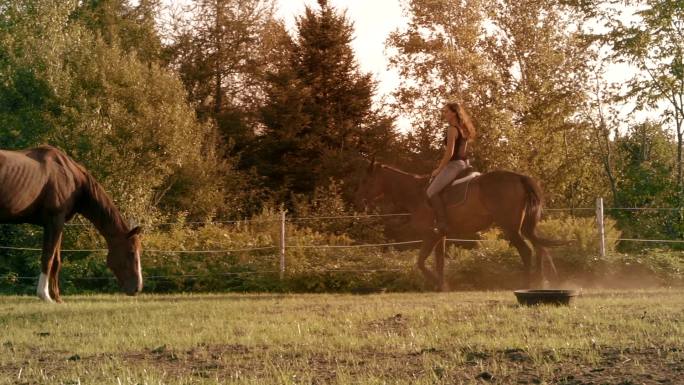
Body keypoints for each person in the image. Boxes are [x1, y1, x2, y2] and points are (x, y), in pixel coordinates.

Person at [426, 102, 476, 234]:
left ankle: (442, 224)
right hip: (464, 164)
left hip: (454, 165)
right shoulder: (463, 128)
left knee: (431, 192)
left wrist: (439, 169)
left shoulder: (452, 129)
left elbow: (449, 153)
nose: (445, 114)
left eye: (446, 111)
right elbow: (463, 151)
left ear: (454, 113)